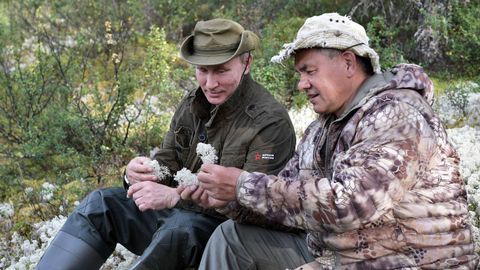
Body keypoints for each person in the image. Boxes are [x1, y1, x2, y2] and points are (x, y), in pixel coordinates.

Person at [191, 13, 480, 269]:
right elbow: (287, 202)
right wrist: (230, 199)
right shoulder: (322, 128)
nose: (302, 83)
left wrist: (244, 184)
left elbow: (351, 205)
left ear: (348, 63)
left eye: (309, 71)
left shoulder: (396, 115)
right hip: (343, 255)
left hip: (410, 260)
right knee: (232, 238)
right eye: (300, 73)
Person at [36, 18, 297, 270]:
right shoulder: (192, 104)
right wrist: (136, 174)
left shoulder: (269, 122)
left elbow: (258, 207)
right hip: (177, 218)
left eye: (221, 70)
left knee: (179, 229)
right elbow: (167, 162)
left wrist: (174, 198)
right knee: (101, 204)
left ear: (247, 63)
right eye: (202, 71)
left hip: (223, 236)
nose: (210, 83)